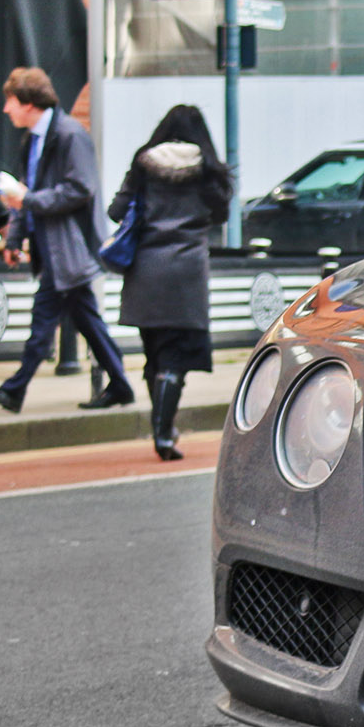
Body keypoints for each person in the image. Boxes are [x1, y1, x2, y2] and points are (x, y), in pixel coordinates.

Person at [0, 68, 135, 415]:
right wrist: (15, 239)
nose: (6, 109)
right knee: (88, 321)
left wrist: (27, 200)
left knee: (43, 320)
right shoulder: (33, 140)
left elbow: (80, 189)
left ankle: (14, 390)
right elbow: (26, 195)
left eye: (10, 101)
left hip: (70, 248)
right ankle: (121, 385)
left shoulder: (69, 135)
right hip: (55, 247)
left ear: (28, 103)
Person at [109, 104, 233, 460]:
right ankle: (163, 434)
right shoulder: (208, 168)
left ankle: (161, 426)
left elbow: (116, 211)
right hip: (186, 273)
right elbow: (221, 213)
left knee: (154, 354)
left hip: (145, 270)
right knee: (175, 358)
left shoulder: (143, 163)